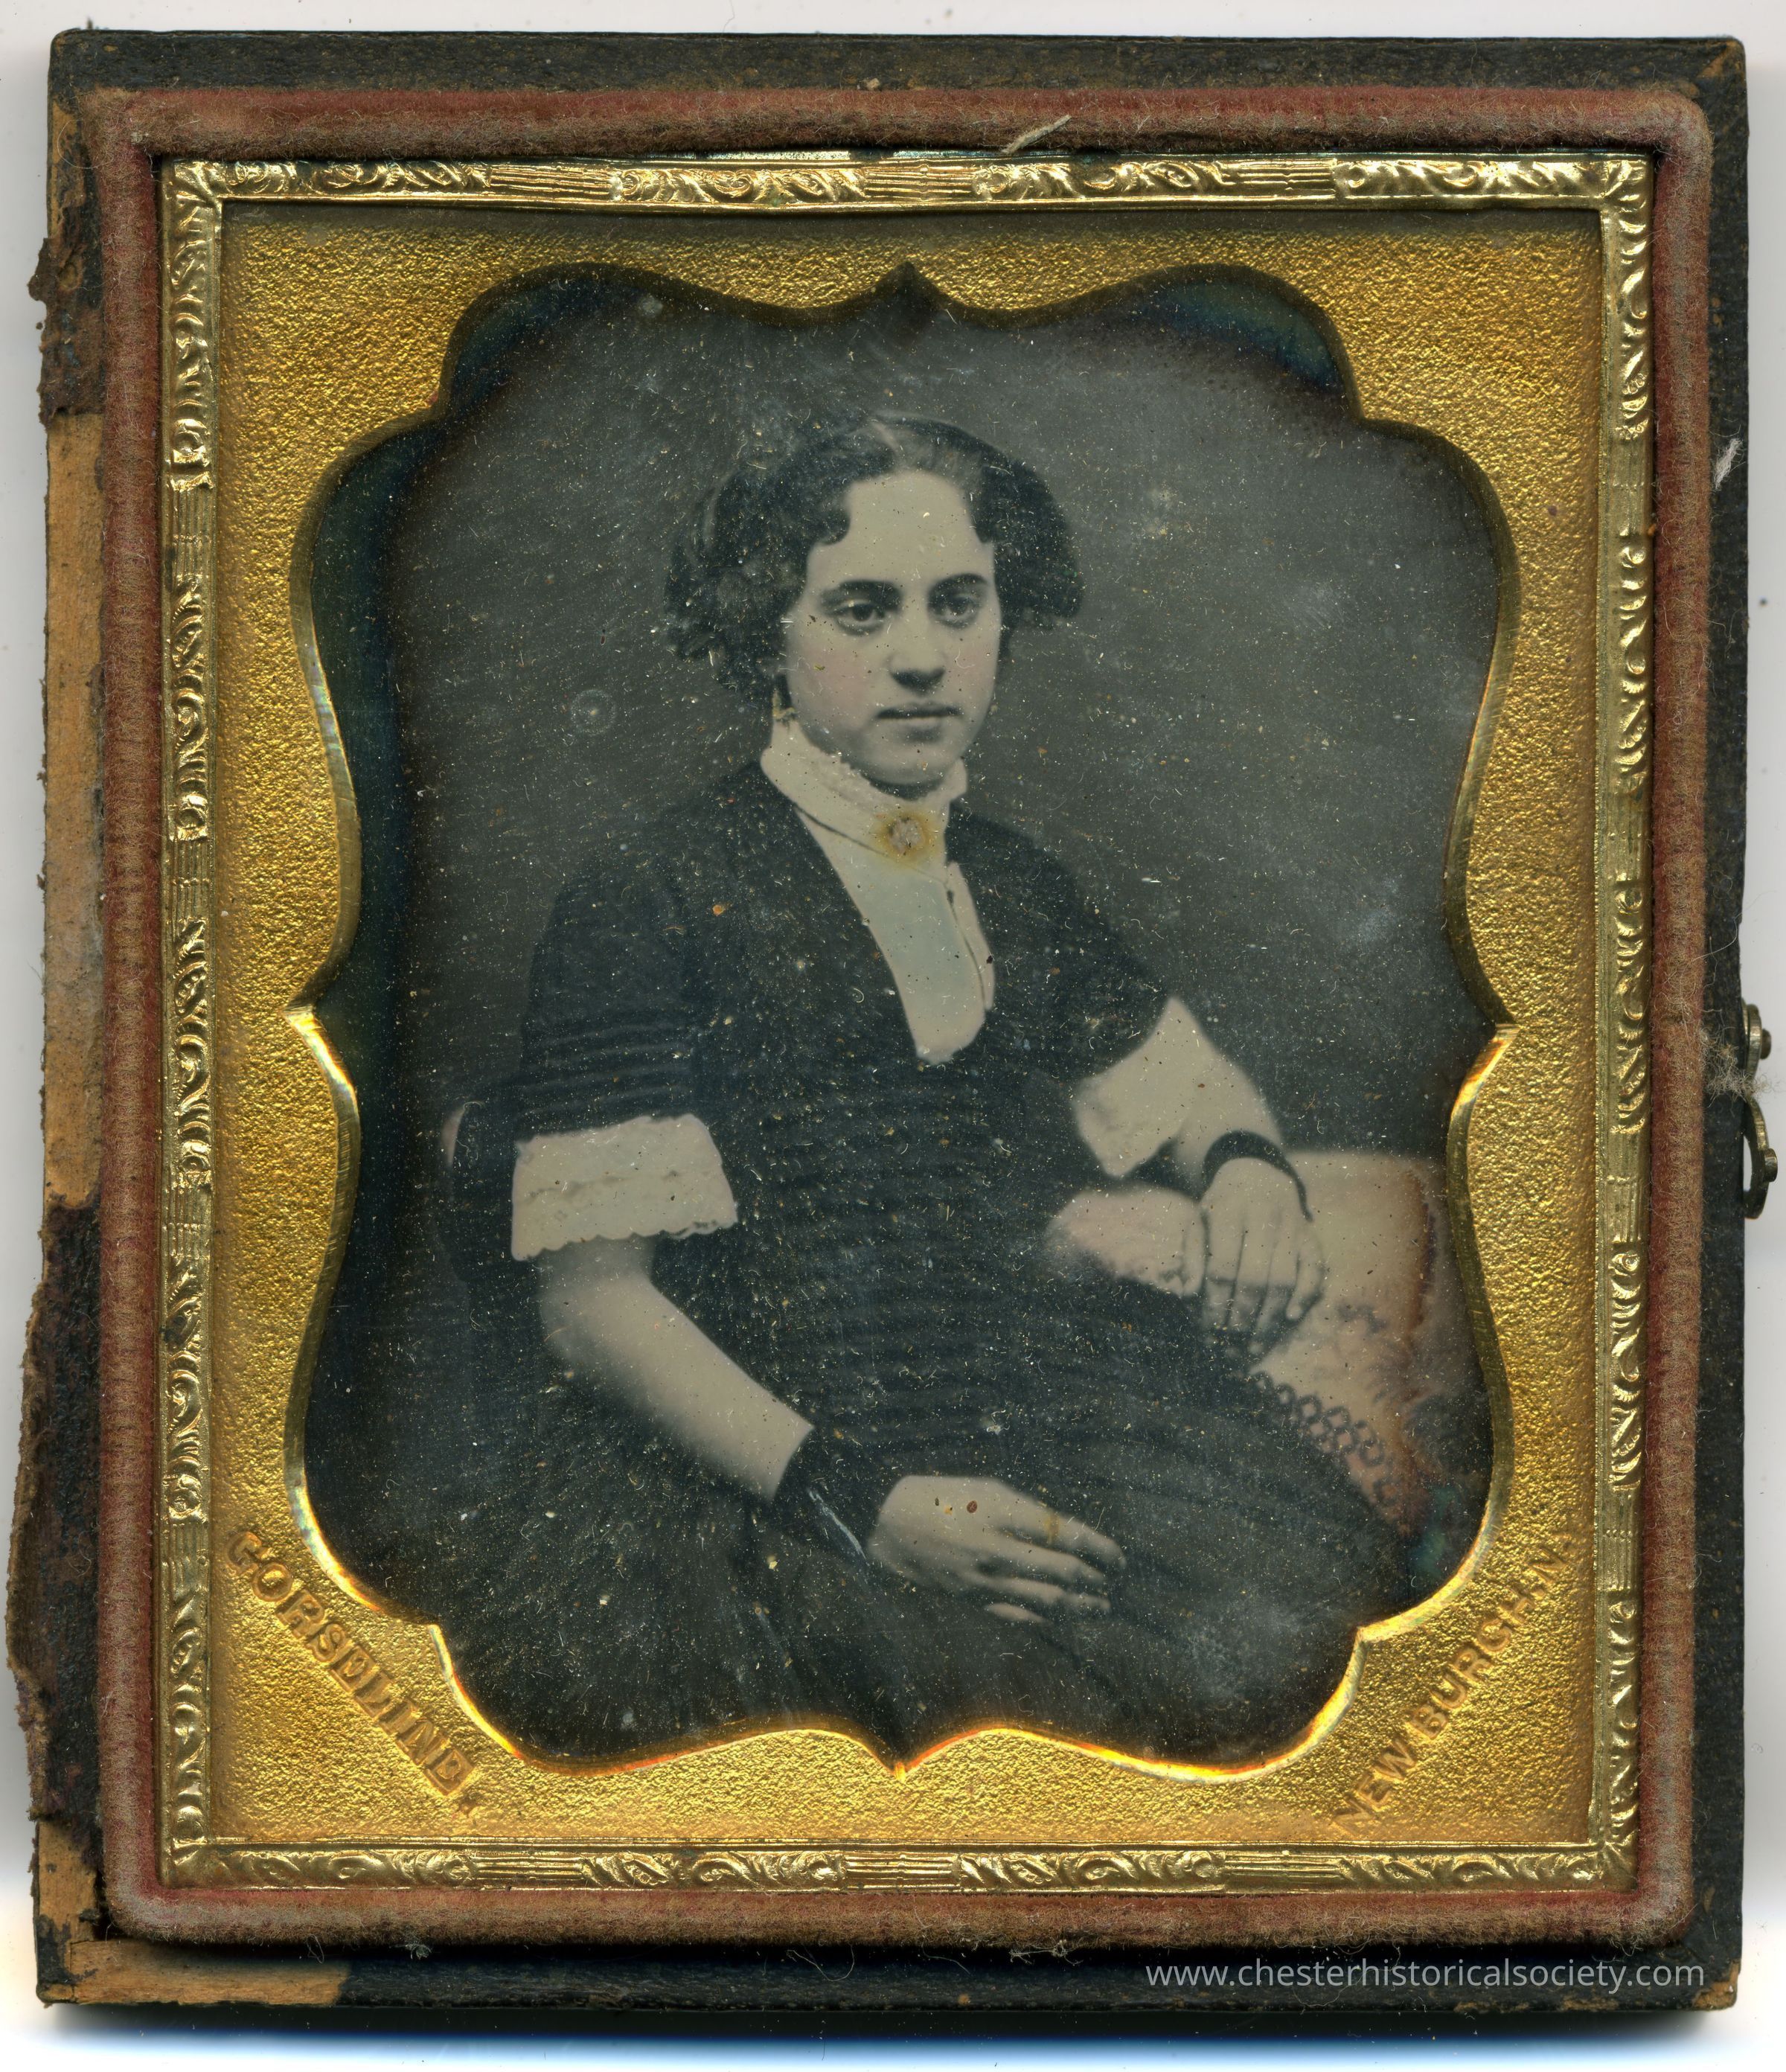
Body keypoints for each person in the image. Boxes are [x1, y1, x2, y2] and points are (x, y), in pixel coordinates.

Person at [436, 412, 1415, 1766]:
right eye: (860, 608)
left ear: (1005, 622)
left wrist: (1247, 1161)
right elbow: (594, 1304)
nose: (918, 655)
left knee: (1289, 1651)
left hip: (1020, 1406)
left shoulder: (1008, 881)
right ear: (766, 634)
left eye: (958, 604)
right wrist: (857, 1503)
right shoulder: (650, 893)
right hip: (760, 1469)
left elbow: (1190, 1085)